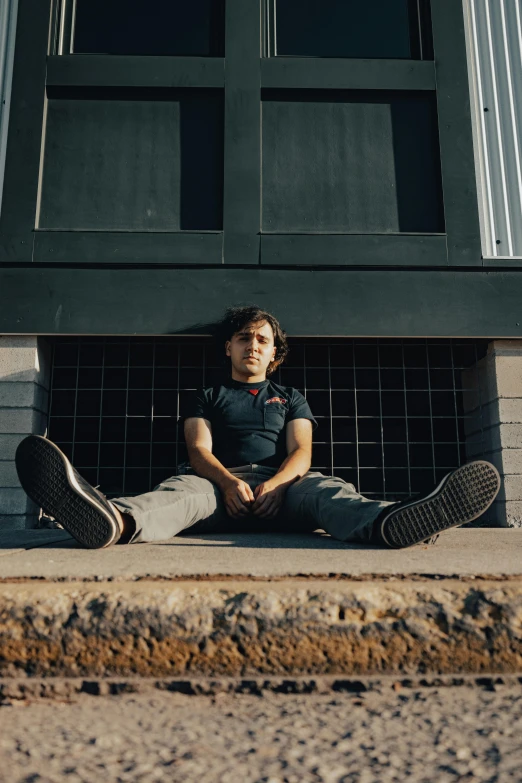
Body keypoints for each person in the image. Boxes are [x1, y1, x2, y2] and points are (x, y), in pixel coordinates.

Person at [15, 305, 500, 550]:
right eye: (244, 337)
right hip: (215, 487)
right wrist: (228, 484)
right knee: (176, 493)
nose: (253, 344)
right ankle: (112, 521)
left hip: (282, 490)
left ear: (275, 353)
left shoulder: (290, 397)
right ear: (228, 347)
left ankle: (388, 524)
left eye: (262, 340)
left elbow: (302, 454)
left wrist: (272, 486)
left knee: (328, 492)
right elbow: (199, 450)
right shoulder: (205, 394)